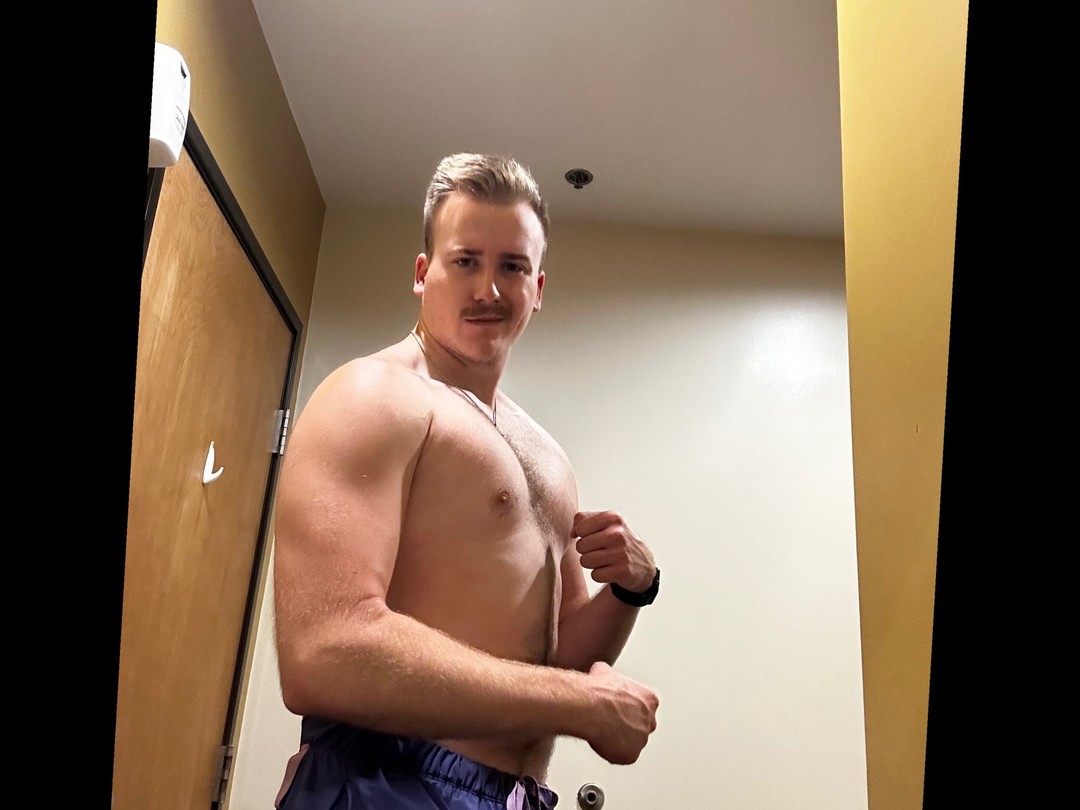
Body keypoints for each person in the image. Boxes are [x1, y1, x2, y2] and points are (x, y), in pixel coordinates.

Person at [272, 153, 661, 810]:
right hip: (387, 781)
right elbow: (326, 649)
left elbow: (555, 664)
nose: (488, 289)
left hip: (515, 794)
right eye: (465, 261)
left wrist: (631, 590)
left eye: (512, 267)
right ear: (423, 274)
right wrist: (580, 703)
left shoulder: (546, 456)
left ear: (538, 287)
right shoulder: (374, 396)